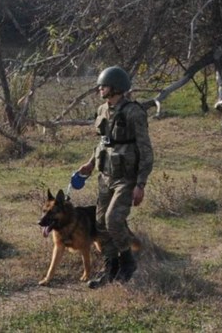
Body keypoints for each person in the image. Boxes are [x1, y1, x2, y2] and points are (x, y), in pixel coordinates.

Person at [77, 66, 154, 288]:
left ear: (117, 88)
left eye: (105, 85)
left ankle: (127, 263)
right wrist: (91, 163)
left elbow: (145, 149)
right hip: (105, 175)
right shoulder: (103, 110)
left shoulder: (133, 112)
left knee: (113, 220)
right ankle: (110, 269)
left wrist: (141, 184)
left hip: (126, 178)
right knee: (100, 223)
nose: (100, 88)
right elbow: (103, 141)